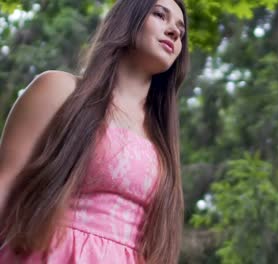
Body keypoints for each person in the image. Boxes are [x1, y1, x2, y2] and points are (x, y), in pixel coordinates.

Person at [0, 0, 189, 263]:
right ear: (128, 20)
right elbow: (5, 185)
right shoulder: (58, 90)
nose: (174, 32)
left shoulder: (162, 141)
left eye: (181, 29)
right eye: (160, 15)